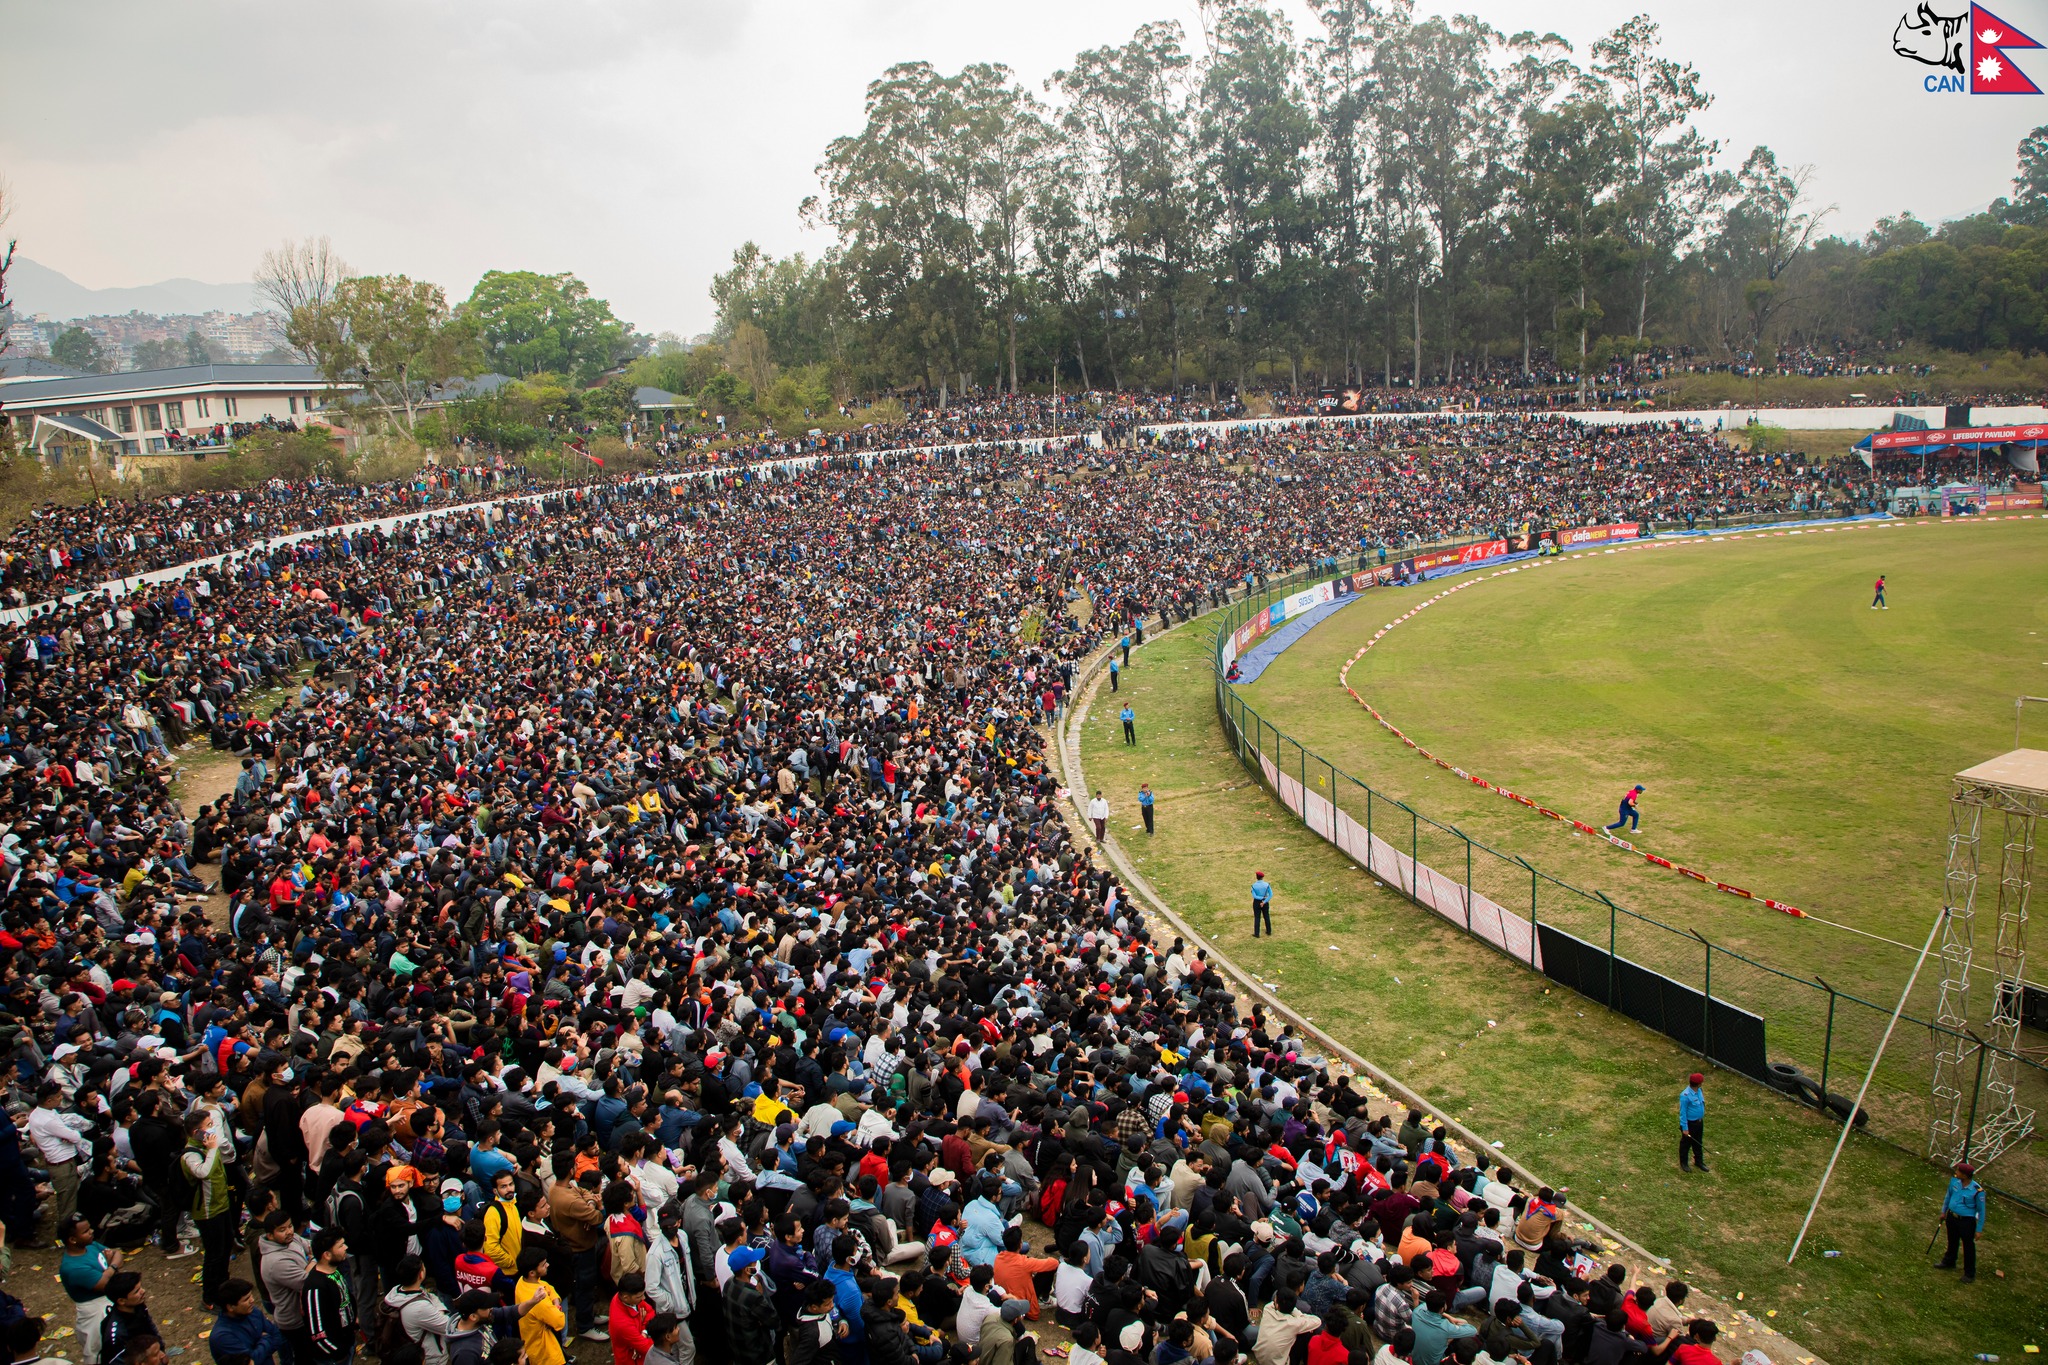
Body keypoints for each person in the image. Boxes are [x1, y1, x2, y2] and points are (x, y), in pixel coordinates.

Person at [181, 1108, 235, 1310]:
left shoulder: (206, 1147)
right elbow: (203, 1172)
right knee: (214, 1253)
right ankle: (209, 1297)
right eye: (208, 1126)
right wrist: (213, 1149)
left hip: (221, 1205)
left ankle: (223, 1284)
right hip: (206, 1211)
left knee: (225, 1246)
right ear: (197, 1132)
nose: (212, 1129)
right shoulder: (190, 1155)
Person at [57, 1213, 119, 1365]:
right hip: (94, 1313)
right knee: (97, 1352)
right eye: (85, 1231)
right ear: (72, 1239)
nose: (91, 1231)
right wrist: (113, 1267)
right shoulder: (73, 1267)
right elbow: (104, 1285)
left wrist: (110, 1269)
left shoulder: (90, 1246)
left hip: (108, 1303)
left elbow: (117, 1253)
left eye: (89, 1228)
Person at [302, 1228, 359, 1364]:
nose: (346, 1247)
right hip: (332, 1357)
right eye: (340, 1246)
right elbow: (317, 1333)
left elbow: (345, 1298)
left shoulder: (334, 1271)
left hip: (346, 1343)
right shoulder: (315, 1287)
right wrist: (339, 1353)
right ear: (327, 1255)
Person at [208, 1279, 285, 1365]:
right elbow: (250, 1362)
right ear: (230, 1307)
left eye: (251, 1295)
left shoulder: (253, 1312)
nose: (252, 1300)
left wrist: (257, 1351)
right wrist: (265, 1339)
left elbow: (277, 1337)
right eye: (246, 1299)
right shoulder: (222, 1336)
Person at [515, 1248, 568, 1365]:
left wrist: (555, 1301)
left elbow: (547, 1287)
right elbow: (559, 1321)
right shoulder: (540, 1301)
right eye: (543, 1265)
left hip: (532, 1346)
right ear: (532, 1273)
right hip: (547, 1354)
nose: (548, 1265)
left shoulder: (522, 1282)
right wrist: (556, 1308)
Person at [1938, 1160, 1985, 1281]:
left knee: (1968, 1246)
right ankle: (1949, 1261)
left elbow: (1981, 1211)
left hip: (1966, 1221)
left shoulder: (1977, 1191)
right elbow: (1948, 1196)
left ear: (1965, 1175)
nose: (1956, 1172)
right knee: (1952, 1240)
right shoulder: (1954, 1181)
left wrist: (1979, 1229)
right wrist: (1944, 1212)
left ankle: (1969, 1273)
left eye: (1958, 1171)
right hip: (1952, 1217)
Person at [1677, 1074, 1706, 1173]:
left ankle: (1699, 1161)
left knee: (1698, 1142)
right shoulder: (1685, 1095)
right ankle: (1684, 1163)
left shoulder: (1699, 1091)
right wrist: (1685, 1128)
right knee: (1686, 1144)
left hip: (1699, 1122)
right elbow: (1683, 1113)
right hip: (1690, 1124)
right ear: (1698, 1083)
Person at [1251, 872, 1273, 939]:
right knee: (1266, 916)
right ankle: (1269, 931)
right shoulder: (1267, 885)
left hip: (1257, 902)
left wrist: (1261, 899)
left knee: (1257, 917)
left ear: (1256, 877)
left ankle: (1257, 933)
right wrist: (1264, 901)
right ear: (1262, 877)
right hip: (1265, 902)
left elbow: (1254, 896)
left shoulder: (1253, 886)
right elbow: (1271, 894)